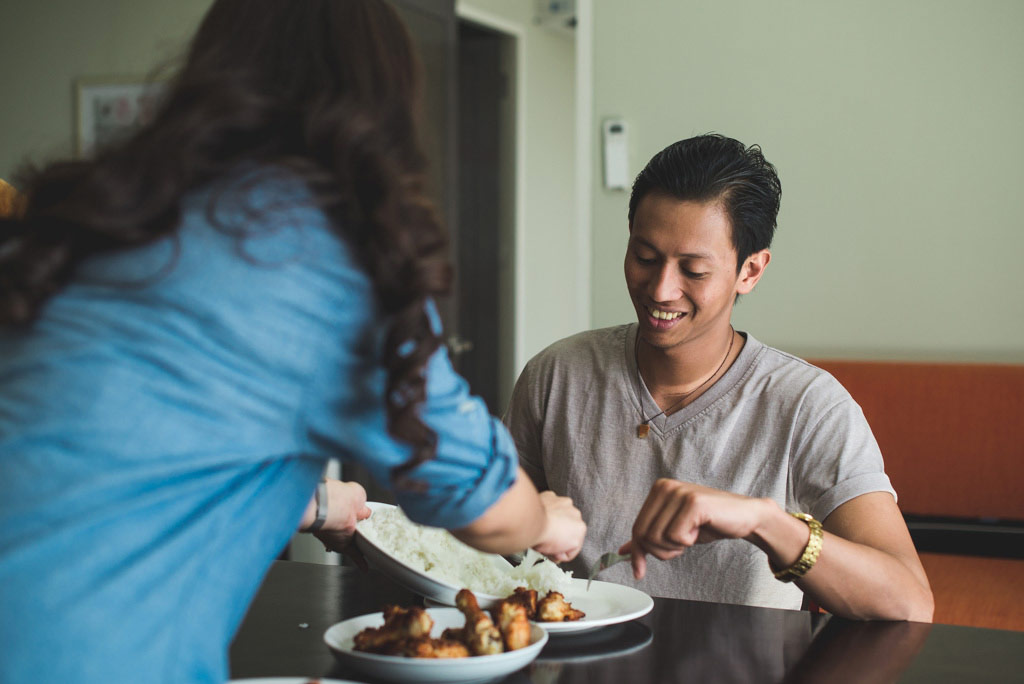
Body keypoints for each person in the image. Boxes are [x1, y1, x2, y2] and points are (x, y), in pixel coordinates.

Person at [0, 1, 585, 682]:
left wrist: (311, 503)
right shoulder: (325, 261)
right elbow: (483, 513)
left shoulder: (102, 212)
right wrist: (540, 518)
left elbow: (122, 453)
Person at [504, 134, 933, 621]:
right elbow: (482, 541)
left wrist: (766, 522)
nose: (661, 289)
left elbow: (909, 602)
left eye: (694, 270)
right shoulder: (557, 374)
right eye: (645, 258)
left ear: (750, 271)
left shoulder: (809, 406)